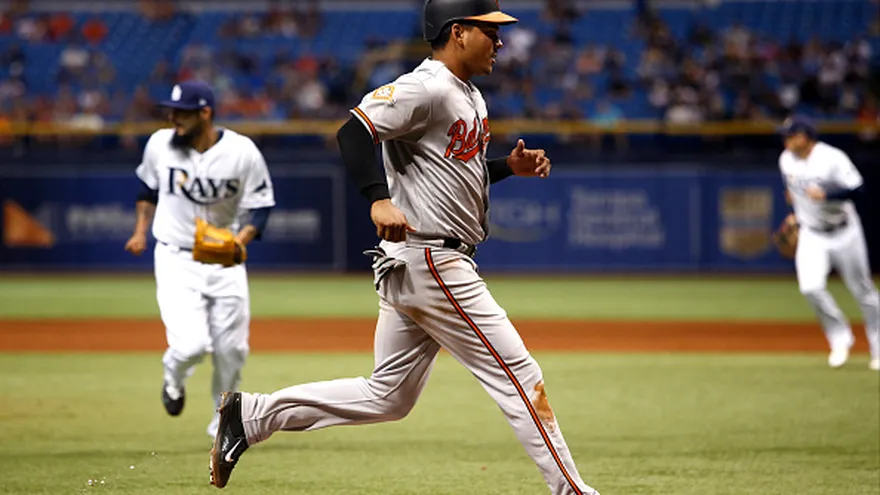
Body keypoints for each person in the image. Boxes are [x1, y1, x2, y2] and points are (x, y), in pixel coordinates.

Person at [208, 1, 601, 494]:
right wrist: (377, 199)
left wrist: (505, 168)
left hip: (419, 261)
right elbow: (352, 131)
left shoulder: (467, 94)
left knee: (388, 396)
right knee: (519, 374)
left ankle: (252, 416)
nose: (500, 41)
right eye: (490, 31)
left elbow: (457, 173)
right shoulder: (427, 85)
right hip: (433, 259)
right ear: (458, 32)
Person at [124, 80, 277, 437]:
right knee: (191, 346)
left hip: (225, 261)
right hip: (177, 258)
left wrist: (241, 240)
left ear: (205, 113)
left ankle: (222, 423)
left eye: (182, 112)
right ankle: (173, 377)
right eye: (172, 111)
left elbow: (262, 206)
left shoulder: (242, 151)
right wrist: (139, 230)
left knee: (232, 349)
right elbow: (147, 190)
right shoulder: (160, 145)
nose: (174, 117)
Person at [777, 115, 879, 370]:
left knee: (863, 291)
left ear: (805, 137)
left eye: (790, 135)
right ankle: (840, 339)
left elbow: (858, 190)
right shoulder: (785, 160)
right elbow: (793, 192)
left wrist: (828, 195)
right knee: (810, 287)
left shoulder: (832, 158)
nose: (785, 139)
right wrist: (795, 218)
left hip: (845, 231)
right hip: (812, 233)